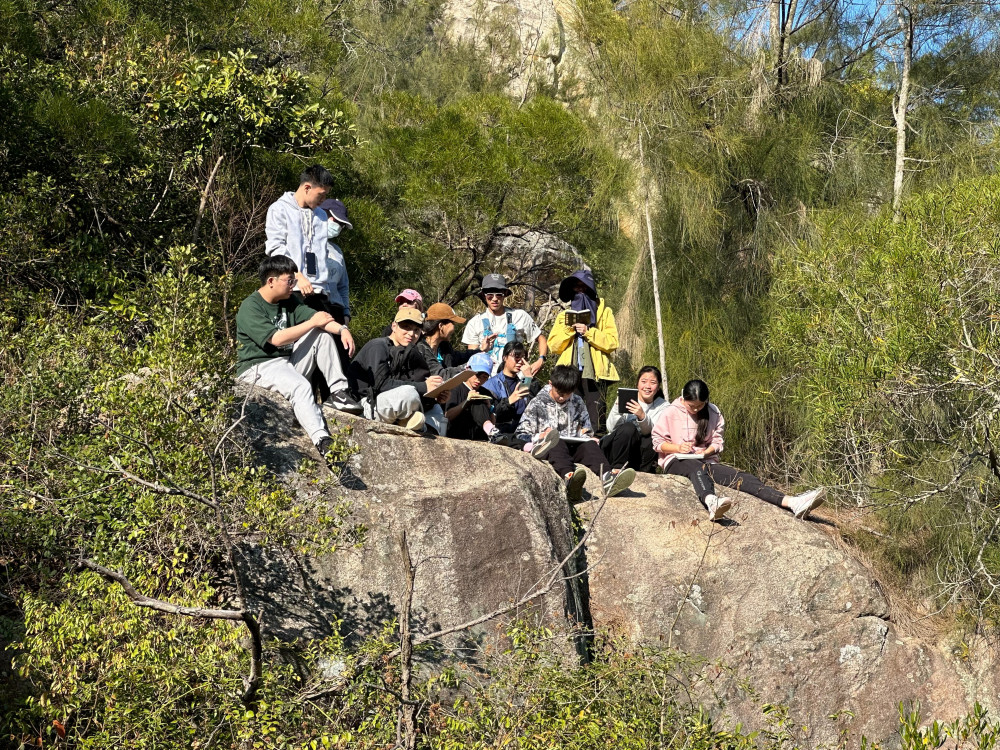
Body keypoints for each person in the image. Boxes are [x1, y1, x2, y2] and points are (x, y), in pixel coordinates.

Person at [235, 256, 363, 458]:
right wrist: (313, 323)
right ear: (271, 281)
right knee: (301, 386)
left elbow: (318, 319)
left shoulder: (289, 301)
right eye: (289, 281)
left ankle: (338, 392)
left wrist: (342, 329)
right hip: (258, 367)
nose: (293, 285)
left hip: (286, 363)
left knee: (321, 336)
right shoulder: (250, 306)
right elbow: (276, 339)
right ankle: (322, 440)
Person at [653, 379, 827, 521]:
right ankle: (712, 502)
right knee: (697, 470)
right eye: (692, 406)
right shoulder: (670, 412)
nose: (696, 410)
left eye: (700, 406)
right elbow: (658, 442)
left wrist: (707, 452)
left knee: (742, 478)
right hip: (677, 460)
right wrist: (677, 447)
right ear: (683, 399)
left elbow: (718, 441)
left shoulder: (713, 412)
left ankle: (792, 502)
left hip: (706, 460)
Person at [518, 365, 636, 501]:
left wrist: (588, 437)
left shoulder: (577, 401)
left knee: (590, 446)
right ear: (551, 384)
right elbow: (521, 434)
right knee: (556, 442)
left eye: (567, 394)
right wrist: (541, 436)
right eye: (559, 393)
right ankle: (569, 479)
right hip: (551, 447)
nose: (562, 398)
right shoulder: (537, 403)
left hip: (574, 445)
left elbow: (586, 429)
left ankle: (607, 478)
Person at [350, 307, 449, 434]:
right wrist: (424, 386)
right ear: (394, 326)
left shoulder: (411, 352)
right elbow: (381, 384)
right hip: (366, 405)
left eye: (416, 330)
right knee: (409, 393)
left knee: (436, 410)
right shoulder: (378, 346)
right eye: (406, 327)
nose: (411, 333)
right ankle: (418, 426)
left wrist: (435, 395)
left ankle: (417, 428)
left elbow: (413, 384)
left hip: (393, 406)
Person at [547, 269, 619, 434]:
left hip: (595, 373)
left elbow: (612, 342)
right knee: (567, 413)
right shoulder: (564, 316)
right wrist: (570, 330)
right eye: (576, 288)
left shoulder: (605, 313)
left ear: (590, 288)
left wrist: (589, 332)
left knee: (596, 414)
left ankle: (596, 447)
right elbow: (554, 346)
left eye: (583, 287)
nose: (580, 291)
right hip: (569, 372)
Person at [462, 274, 547, 376]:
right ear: (484, 295)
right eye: (490, 294)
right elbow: (473, 357)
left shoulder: (520, 315)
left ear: (505, 294)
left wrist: (541, 359)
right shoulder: (475, 322)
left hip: (516, 378)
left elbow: (540, 338)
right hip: (486, 380)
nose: (494, 298)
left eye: (499, 294)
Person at [603, 366, 669, 474]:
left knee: (652, 437)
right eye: (644, 381)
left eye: (653, 382)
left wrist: (642, 416)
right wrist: (617, 409)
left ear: (658, 387)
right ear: (637, 384)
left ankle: (644, 473)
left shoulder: (664, 406)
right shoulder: (627, 398)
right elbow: (610, 428)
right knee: (629, 428)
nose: (647, 386)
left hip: (639, 456)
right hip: (615, 451)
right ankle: (617, 469)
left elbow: (653, 433)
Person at [482, 341, 538, 436]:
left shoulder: (522, 382)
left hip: (525, 430)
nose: (520, 362)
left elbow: (535, 404)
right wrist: (509, 401)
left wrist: (529, 377)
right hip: (503, 432)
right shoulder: (492, 384)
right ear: (504, 357)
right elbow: (489, 414)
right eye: (516, 357)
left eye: (523, 358)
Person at [417, 303, 470, 378]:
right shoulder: (421, 348)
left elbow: (458, 357)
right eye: (453, 323)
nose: (454, 328)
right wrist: (467, 367)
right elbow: (440, 374)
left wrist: (481, 351)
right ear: (441, 326)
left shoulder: (444, 347)